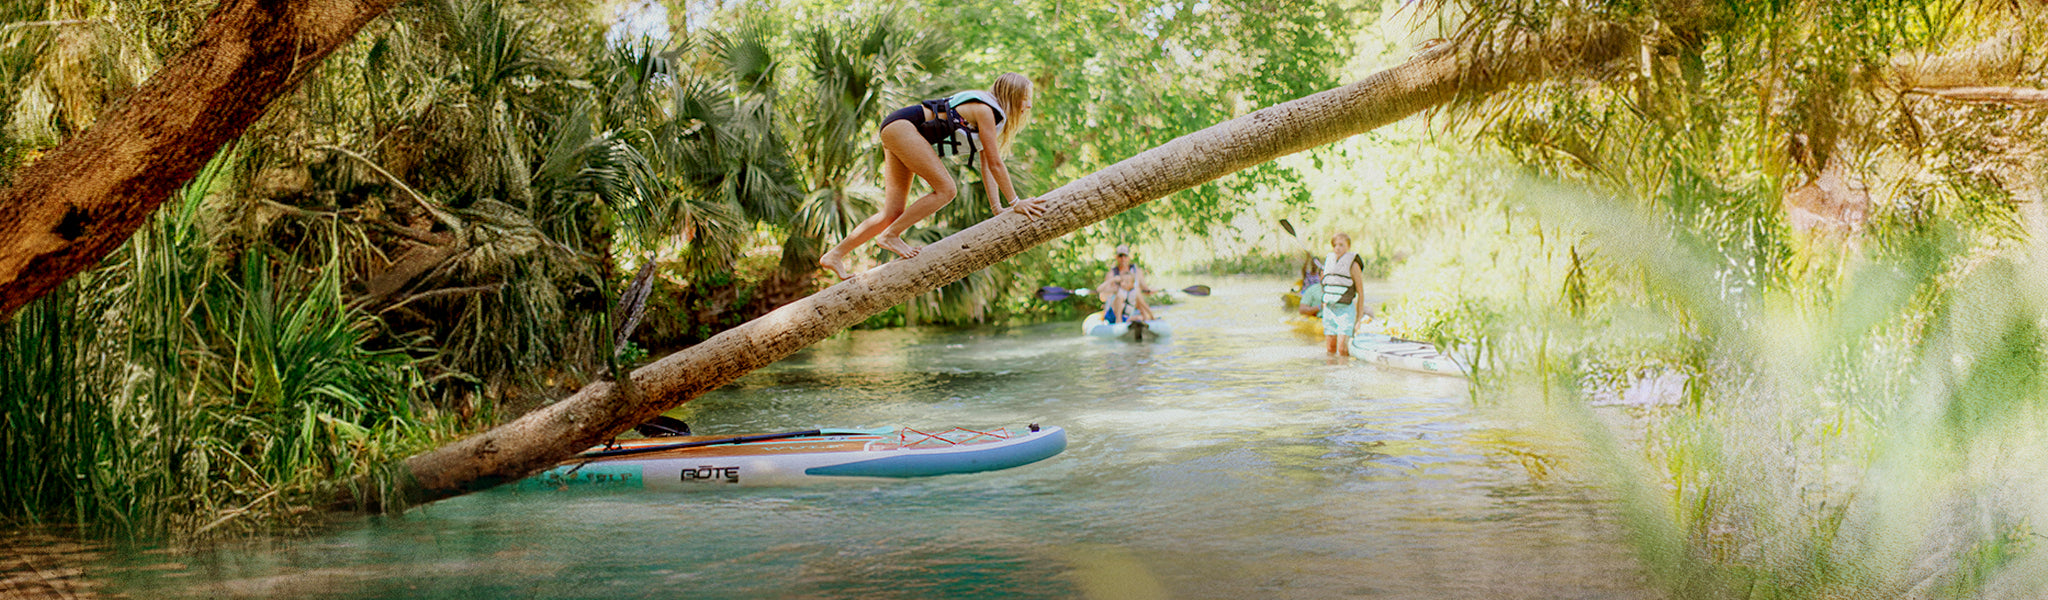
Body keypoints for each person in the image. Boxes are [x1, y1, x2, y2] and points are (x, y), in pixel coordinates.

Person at [818, 73, 1046, 278]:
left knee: (892, 212)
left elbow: (988, 166)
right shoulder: (986, 110)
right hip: (903, 127)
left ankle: (835, 255)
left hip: (899, 130)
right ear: (1013, 96)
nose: (1029, 104)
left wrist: (999, 209)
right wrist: (1016, 202)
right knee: (947, 190)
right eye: (1026, 97)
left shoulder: (992, 118)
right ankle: (890, 236)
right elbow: (996, 164)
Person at [1319, 233, 1370, 356]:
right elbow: (1325, 288)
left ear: (1348, 246)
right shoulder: (1329, 262)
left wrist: (1359, 319)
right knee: (1330, 350)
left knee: (1342, 350)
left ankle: (1344, 373)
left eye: (1341, 245)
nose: (1337, 248)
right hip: (1329, 310)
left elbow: (1361, 293)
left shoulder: (1353, 265)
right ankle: (1330, 374)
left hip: (1345, 312)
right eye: (1335, 245)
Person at [1100, 244, 1156, 323]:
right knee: (1120, 296)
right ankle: (1118, 320)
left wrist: (1149, 291)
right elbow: (1103, 295)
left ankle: (1148, 318)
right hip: (1116, 305)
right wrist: (1112, 290)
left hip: (1130, 304)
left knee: (1137, 293)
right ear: (1116, 257)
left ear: (1128, 257)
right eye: (1120, 256)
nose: (1123, 259)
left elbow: (1144, 288)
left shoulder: (1137, 272)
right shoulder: (1111, 274)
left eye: (1125, 256)